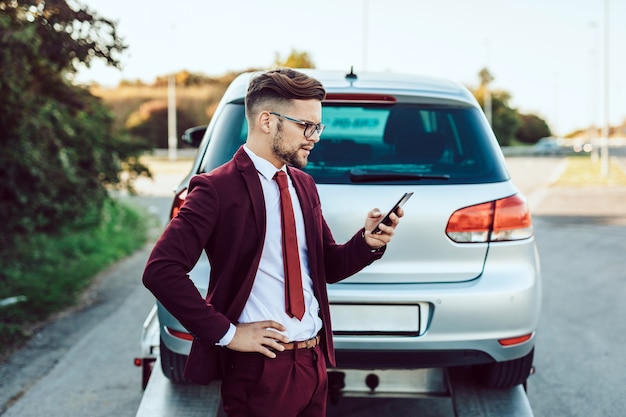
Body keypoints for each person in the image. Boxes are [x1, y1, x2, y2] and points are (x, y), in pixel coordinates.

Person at [142, 68, 402, 417]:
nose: (315, 137)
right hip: (261, 370)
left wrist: (368, 242)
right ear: (267, 120)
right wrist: (228, 334)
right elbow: (161, 271)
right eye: (306, 126)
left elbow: (329, 266)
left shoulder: (303, 185)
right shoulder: (215, 188)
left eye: (317, 127)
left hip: (314, 363)